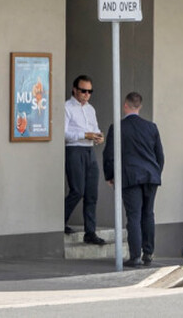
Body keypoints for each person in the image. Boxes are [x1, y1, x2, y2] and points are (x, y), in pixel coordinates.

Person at [104, 91, 165, 268]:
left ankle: (135, 256)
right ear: (140, 106)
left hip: (130, 177)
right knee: (148, 214)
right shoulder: (151, 127)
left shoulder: (117, 127)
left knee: (134, 216)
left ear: (125, 105)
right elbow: (160, 156)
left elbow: (109, 155)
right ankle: (148, 253)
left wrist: (110, 176)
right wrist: (156, 173)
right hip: (151, 176)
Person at [63, 74, 105, 245]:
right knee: (77, 190)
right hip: (74, 150)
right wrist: (84, 135)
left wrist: (98, 136)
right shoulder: (67, 107)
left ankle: (90, 232)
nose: (87, 94)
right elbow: (63, 133)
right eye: (83, 91)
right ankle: (59, 221)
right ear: (75, 90)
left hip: (89, 150)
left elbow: (95, 128)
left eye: (90, 91)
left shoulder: (90, 109)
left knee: (92, 193)